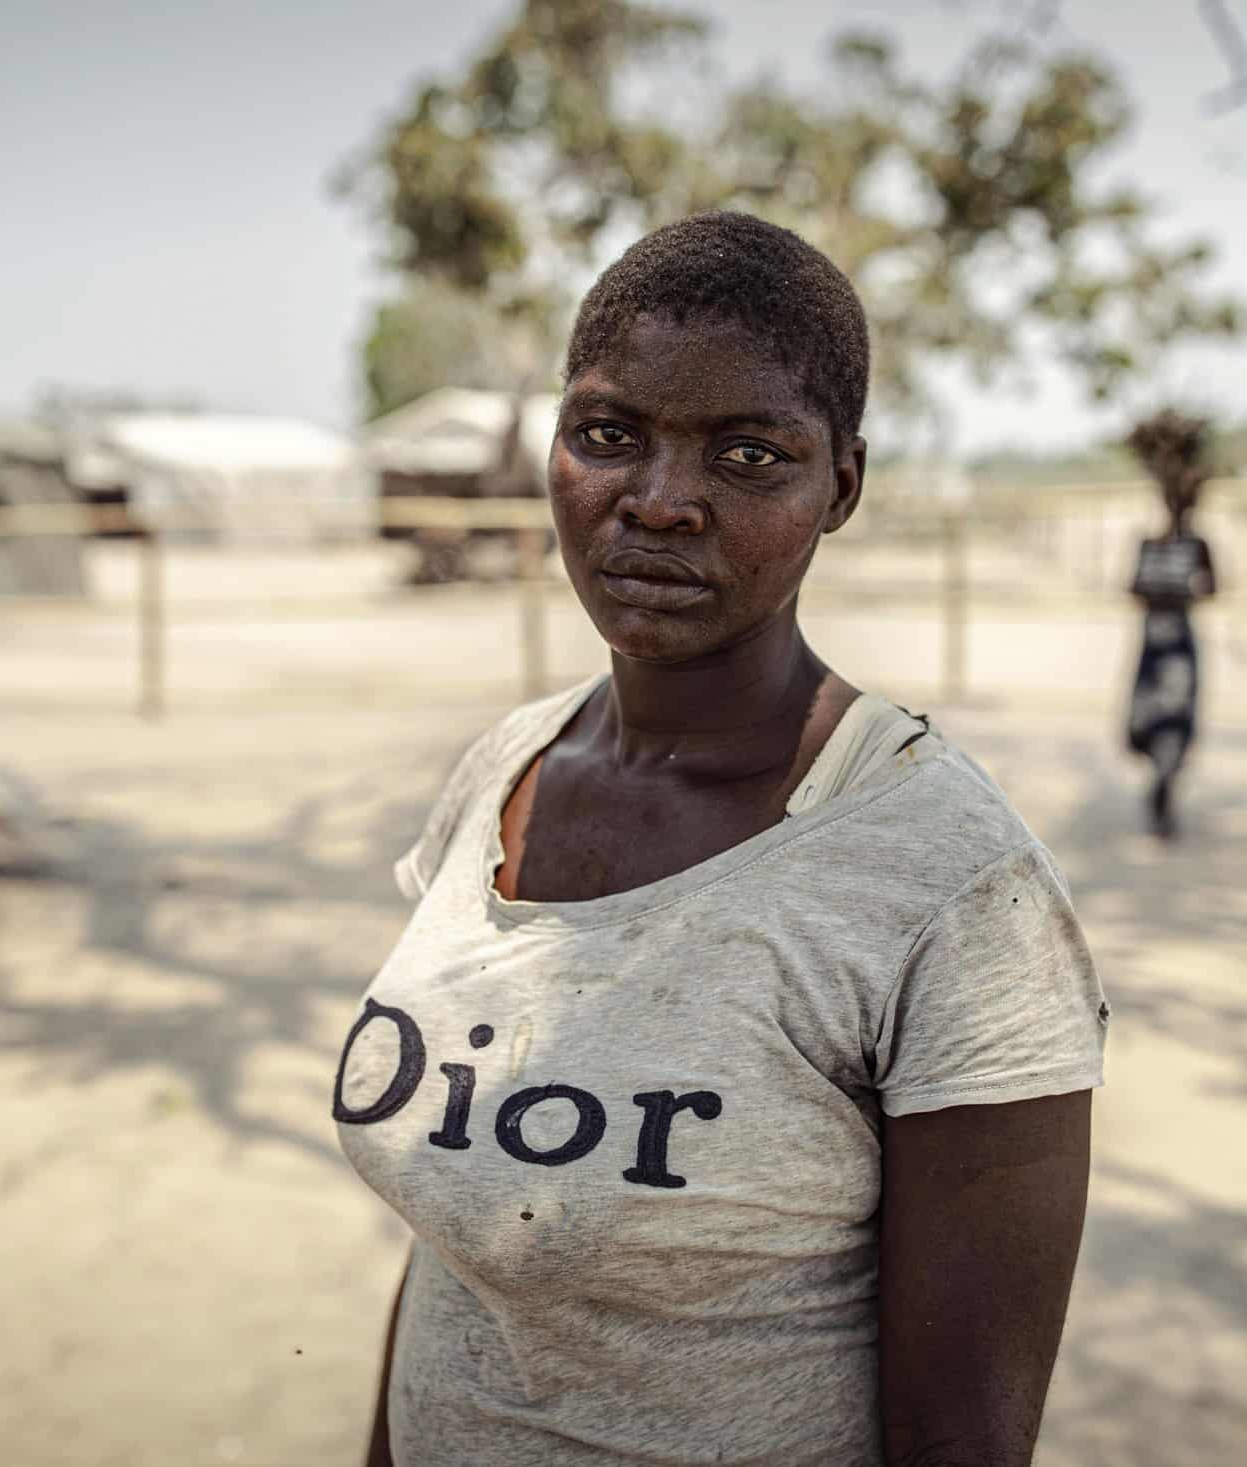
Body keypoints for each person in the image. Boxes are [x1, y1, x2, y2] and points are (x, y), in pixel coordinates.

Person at [333, 212, 1107, 1467]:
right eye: (606, 435)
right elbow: (462, 1259)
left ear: (839, 485)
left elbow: (961, 1438)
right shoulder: (502, 774)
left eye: (749, 455)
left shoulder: (949, 887)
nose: (658, 502)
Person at [1123, 411, 1217, 838]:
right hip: (1155, 642)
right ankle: (1159, 783)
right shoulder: (1149, 543)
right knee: (1148, 721)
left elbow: (1213, 588)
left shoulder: (1198, 545)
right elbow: (1132, 588)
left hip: (1177, 642)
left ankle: (1165, 790)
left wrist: (1181, 592)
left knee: (1175, 720)